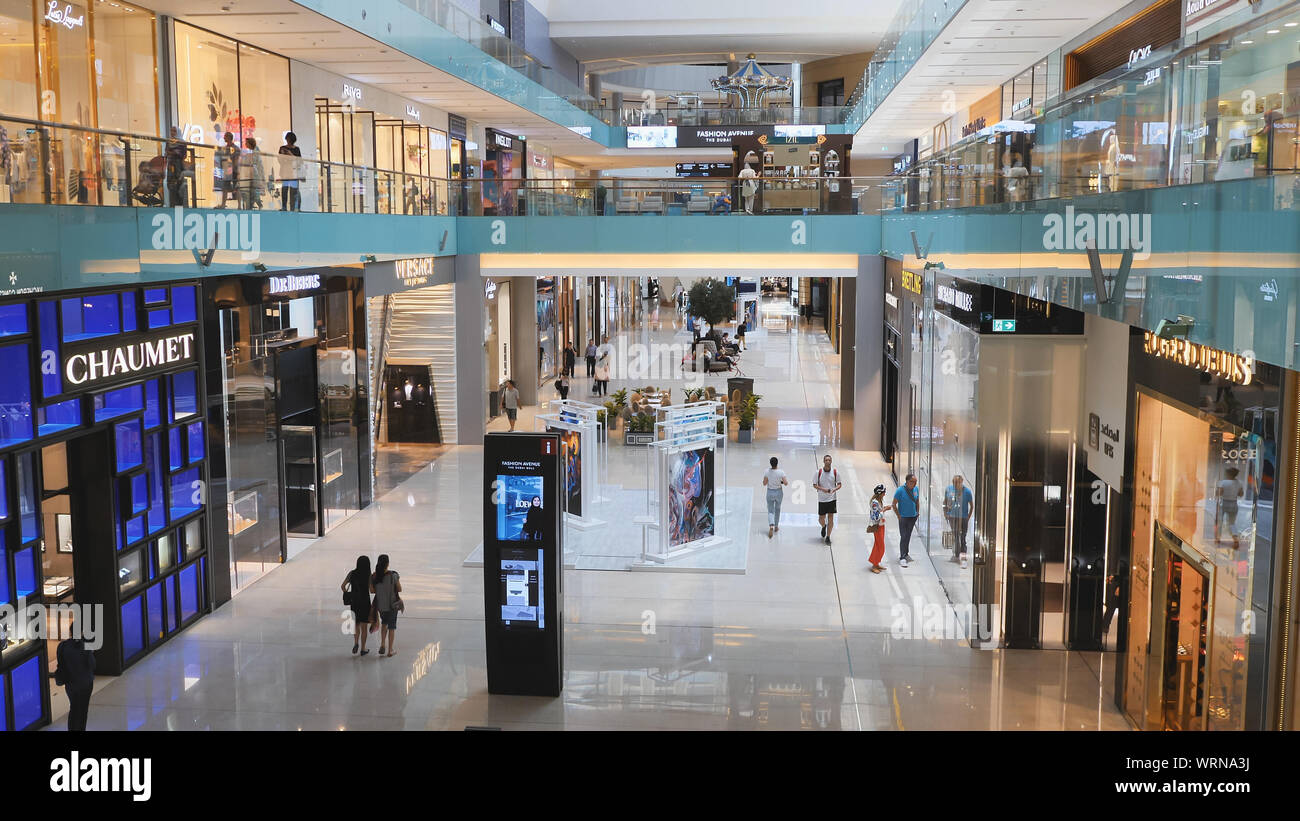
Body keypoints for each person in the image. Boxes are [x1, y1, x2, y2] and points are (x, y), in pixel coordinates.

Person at [55, 626, 96, 731]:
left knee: (73, 707)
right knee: (83, 709)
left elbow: (60, 664)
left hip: (70, 684)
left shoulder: (63, 646)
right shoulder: (86, 647)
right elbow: (92, 664)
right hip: (85, 683)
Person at [370, 554, 402, 657]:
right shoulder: (393, 575)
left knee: (384, 623)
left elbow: (372, 590)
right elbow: (399, 589)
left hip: (381, 605)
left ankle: (382, 644)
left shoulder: (374, 576)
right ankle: (390, 650)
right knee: (392, 627)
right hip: (392, 605)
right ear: (388, 564)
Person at [341, 555, 373, 656]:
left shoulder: (352, 573)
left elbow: (343, 586)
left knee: (356, 624)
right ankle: (363, 648)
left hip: (354, 602)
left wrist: (348, 593)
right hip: (365, 602)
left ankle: (356, 643)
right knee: (364, 627)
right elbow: (371, 590)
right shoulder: (369, 575)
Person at [944, 474, 974, 568]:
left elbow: (971, 505)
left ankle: (963, 556)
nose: (956, 485)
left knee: (963, 537)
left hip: (963, 517)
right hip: (952, 516)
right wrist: (946, 513)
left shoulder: (967, 492)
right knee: (956, 535)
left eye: (957, 483)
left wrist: (968, 517)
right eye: (954, 483)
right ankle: (957, 554)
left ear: (961, 482)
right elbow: (945, 501)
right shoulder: (949, 489)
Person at [814, 454, 842, 545]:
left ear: (831, 461)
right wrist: (823, 490)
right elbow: (814, 485)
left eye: (829, 460)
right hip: (822, 499)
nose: (828, 461)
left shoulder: (835, 472)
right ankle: (823, 526)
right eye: (826, 460)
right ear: (823, 461)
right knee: (821, 518)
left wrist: (834, 489)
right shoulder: (818, 472)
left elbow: (839, 484)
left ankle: (828, 537)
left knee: (831, 518)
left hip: (832, 499)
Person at [893, 473, 920, 567]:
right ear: (907, 481)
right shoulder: (900, 490)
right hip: (903, 517)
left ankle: (906, 553)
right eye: (913, 482)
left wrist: (917, 512)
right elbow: (894, 504)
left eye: (915, 482)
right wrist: (898, 515)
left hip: (912, 517)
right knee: (903, 536)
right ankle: (902, 557)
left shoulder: (916, 489)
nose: (915, 484)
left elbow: (917, 501)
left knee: (908, 535)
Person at [868, 483, 893, 573]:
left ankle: (876, 562)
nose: (885, 494)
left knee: (877, 545)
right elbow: (876, 517)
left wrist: (884, 508)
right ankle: (874, 565)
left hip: (881, 526)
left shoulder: (879, 501)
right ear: (880, 493)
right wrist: (884, 509)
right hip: (877, 526)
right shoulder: (875, 503)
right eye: (884, 492)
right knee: (881, 546)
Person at [763, 456, 789, 538]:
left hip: (770, 492)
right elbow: (786, 483)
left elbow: (764, 483)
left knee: (770, 510)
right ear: (777, 463)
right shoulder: (781, 472)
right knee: (777, 509)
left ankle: (771, 525)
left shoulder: (767, 471)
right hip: (778, 492)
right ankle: (776, 526)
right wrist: (780, 481)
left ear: (770, 463)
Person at [237, 136, 266, 210]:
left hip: (253, 174)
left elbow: (257, 164)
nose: (245, 144)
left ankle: (258, 205)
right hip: (247, 174)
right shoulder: (247, 152)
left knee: (254, 191)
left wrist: (261, 178)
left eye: (246, 143)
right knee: (246, 191)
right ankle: (249, 206)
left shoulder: (254, 152)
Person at [278, 131, 302, 212]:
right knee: (284, 189)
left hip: (294, 172)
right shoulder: (282, 148)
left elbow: (299, 161)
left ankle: (295, 207)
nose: (287, 140)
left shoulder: (296, 149)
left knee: (294, 190)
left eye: (288, 139)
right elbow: (280, 160)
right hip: (285, 172)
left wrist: (289, 154)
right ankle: (284, 206)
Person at [164, 126, 189, 207]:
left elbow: (183, 154)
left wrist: (175, 152)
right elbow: (167, 152)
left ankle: (180, 203)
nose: (172, 133)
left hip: (179, 165)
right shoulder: (169, 141)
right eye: (171, 131)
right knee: (171, 183)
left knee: (179, 183)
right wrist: (173, 152)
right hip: (171, 164)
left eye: (174, 131)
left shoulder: (182, 142)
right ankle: (172, 203)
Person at [1217, 467, 1243, 541]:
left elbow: (1219, 493)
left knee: (1220, 522)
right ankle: (1235, 538)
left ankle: (1218, 538)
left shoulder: (1223, 482)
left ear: (1228, 474)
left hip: (1224, 503)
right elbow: (1241, 494)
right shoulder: (1239, 483)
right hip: (1234, 504)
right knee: (1232, 523)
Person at [214, 131, 239, 208]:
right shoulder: (225, 148)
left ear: (229, 137)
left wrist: (235, 170)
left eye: (225, 136)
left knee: (237, 187)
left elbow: (236, 160)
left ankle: (239, 206)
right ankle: (223, 204)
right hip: (227, 170)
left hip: (233, 170)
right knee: (225, 187)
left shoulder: (234, 148)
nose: (224, 138)